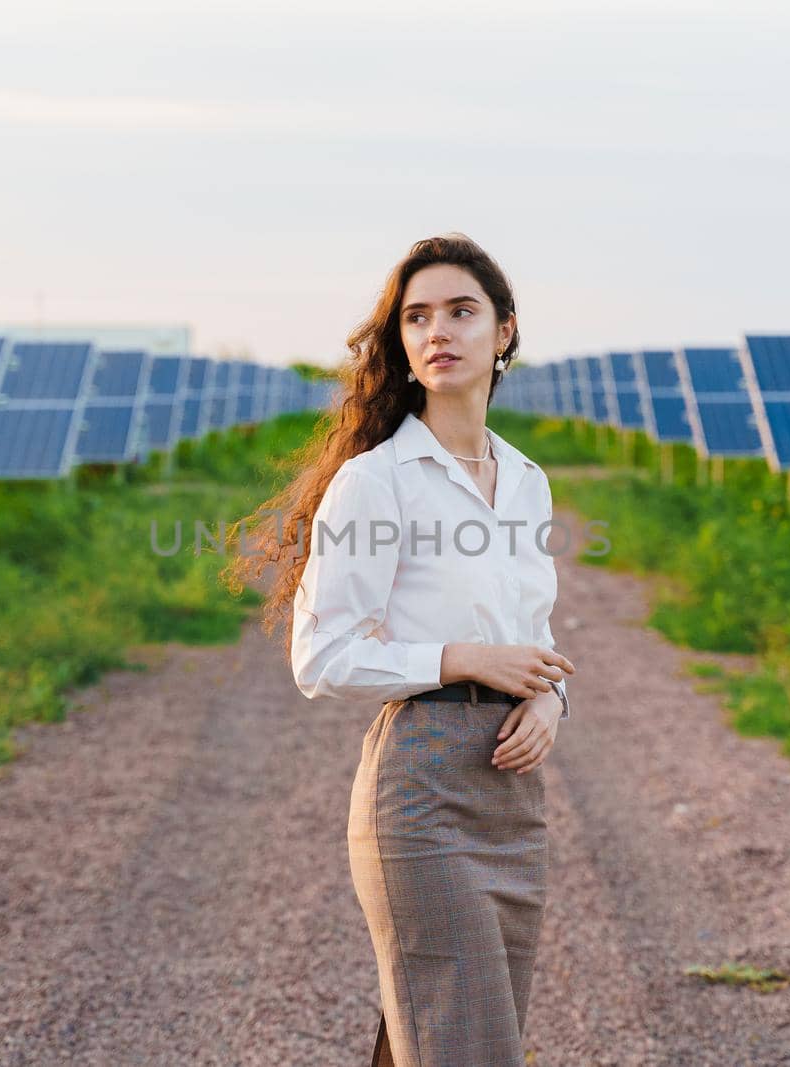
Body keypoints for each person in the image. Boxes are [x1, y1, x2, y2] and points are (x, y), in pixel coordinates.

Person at [224, 232, 574, 1066]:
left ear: (505, 332)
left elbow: (537, 634)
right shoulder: (375, 480)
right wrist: (459, 658)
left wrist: (552, 698)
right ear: (401, 343)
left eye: (461, 310)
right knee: (466, 1042)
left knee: (441, 1036)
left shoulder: (525, 479)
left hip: (513, 799)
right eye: (417, 316)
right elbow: (322, 654)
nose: (437, 331)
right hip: (419, 794)